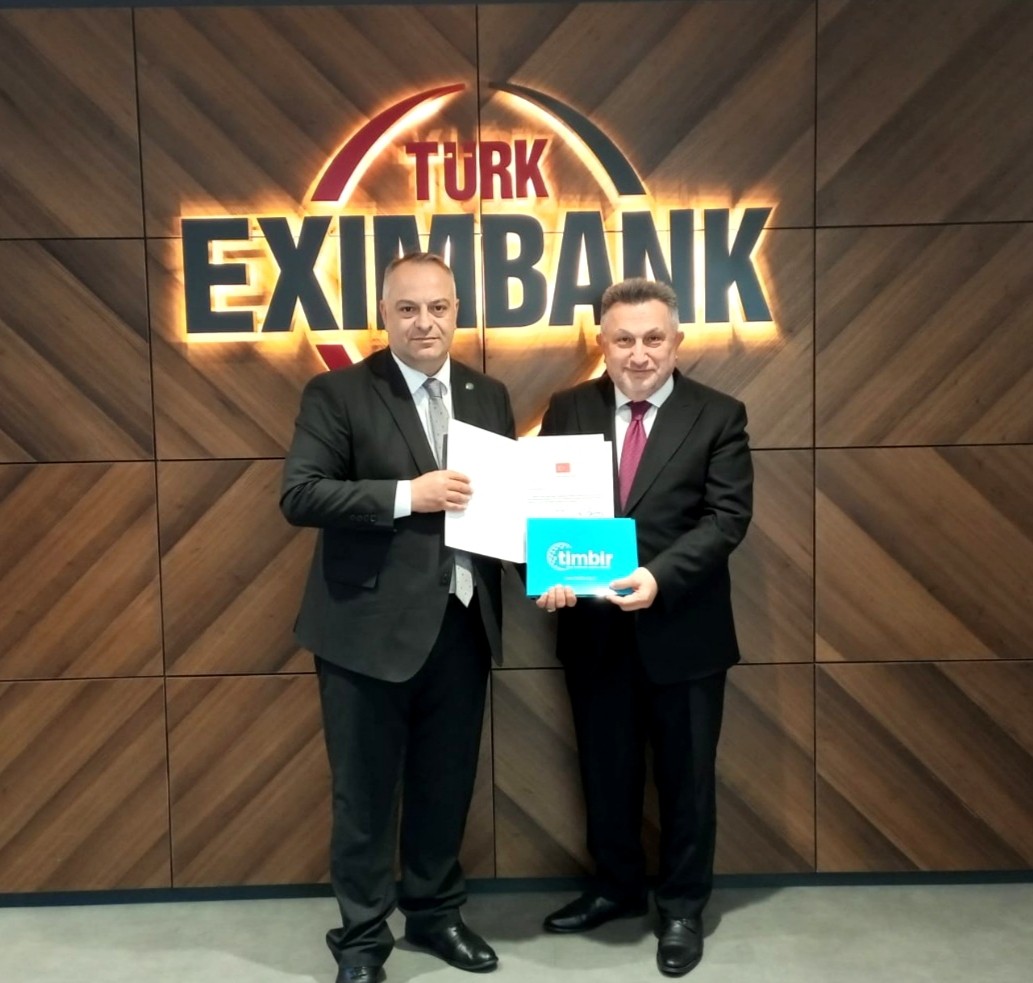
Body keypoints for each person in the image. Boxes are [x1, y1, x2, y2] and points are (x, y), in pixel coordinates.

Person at [281, 252, 514, 983]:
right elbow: (301, 494)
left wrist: (557, 571)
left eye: (438, 307)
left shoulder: (488, 394)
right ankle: (360, 941)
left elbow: (507, 508)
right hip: (364, 632)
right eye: (408, 309)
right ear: (384, 315)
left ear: (457, 311)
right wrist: (408, 495)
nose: (425, 323)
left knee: (446, 785)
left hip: (463, 624)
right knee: (365, 796)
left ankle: (435, 914)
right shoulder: (338, 392)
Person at [536, 277, 753, 977]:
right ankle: (616, 888)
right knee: (607, 771)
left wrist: (659, 577)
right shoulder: (568, 408)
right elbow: (543, 511)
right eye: (623, 339)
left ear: (676, 340)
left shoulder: (719, 414)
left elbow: (726, 519)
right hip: (593, 631)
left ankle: (682, 907)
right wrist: (545, 570)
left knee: (687, 780)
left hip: (683, 631)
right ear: (600, 342)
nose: (638, 354)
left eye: (652, 338)